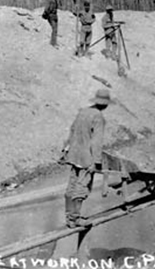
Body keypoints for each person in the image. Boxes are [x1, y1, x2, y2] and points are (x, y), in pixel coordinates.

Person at [60, 89, 111, 228]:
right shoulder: (98, 117)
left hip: (74, 155)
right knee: (82, 187)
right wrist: (96, 161)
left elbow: (72, 131)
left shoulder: (83, 112)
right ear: (105, 105)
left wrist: (66, 150)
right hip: (86, 157)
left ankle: (69, 218)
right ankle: (76, 218)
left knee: (71, 186)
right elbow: (96, 141)